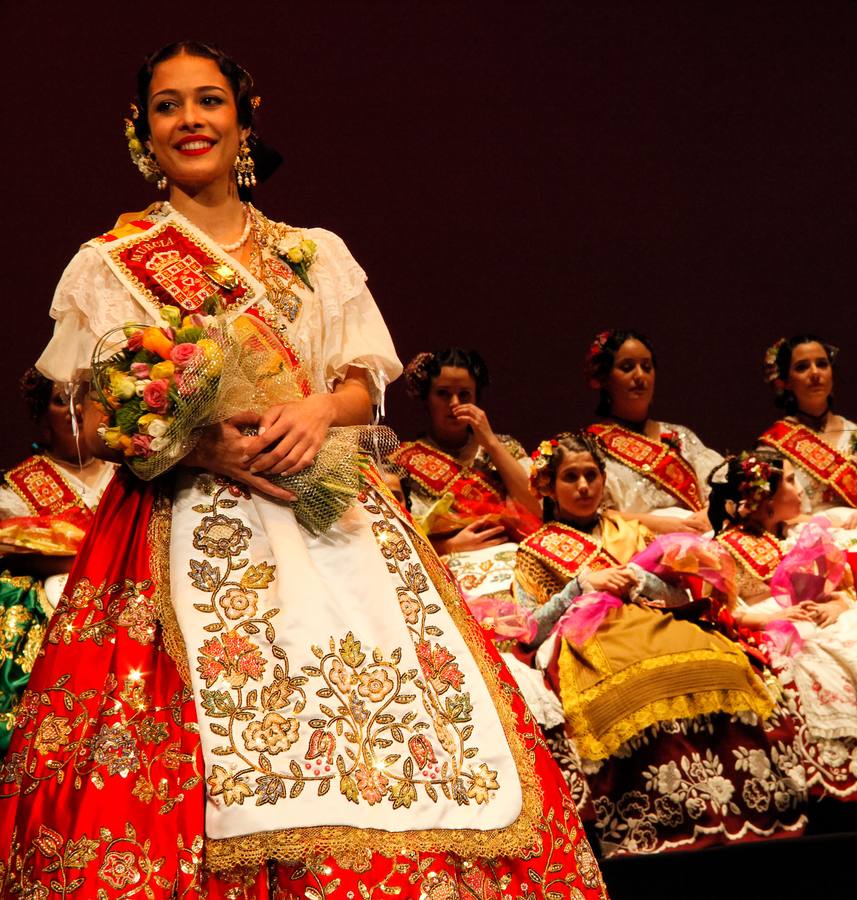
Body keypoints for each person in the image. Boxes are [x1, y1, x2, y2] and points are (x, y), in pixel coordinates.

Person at [0, 42, 605, 899]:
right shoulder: (107, 264)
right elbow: (95, 422)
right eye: (167, 106)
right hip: (183, 521)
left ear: (244, 121)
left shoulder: (314, 252)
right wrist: (199, 445)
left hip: (334, 517)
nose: (190, 121)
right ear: (144, 132)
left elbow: (363, 385)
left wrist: (320, 409)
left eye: (208, 101)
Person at [514, 431, 807, 855]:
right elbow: (529, 630)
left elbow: (682, 592)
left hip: (656, 622)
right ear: (548, 486)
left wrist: (638, 582)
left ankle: (744, 809)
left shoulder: (632, 532)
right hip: (586, 639)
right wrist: (580, 585)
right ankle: (662, 818)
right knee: (633, 689)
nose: (583, 487)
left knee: (721, 663)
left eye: (591, 475)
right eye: (571, 477)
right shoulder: (534, 551)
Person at [709, 450, 857, 804]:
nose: (798, 490)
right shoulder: (725, 548)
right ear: (762, 495)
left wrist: (836, 605)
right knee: (812, 659)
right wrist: (773, 618)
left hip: (820, 616)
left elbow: (844, 590)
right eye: (788, 481)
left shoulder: (803, 536)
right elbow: (724, 612)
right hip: (770, 625)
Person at [0, 370, 117, 754]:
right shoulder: (14, 489)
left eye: (85, 399)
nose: (75, 411)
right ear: (40, 413)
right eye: (59, 401)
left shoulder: (130, 478)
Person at [391, 348, 538, 598]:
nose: (454, 404)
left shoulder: (505, 448)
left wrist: (490, 442)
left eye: (464, 394)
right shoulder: (402, 460)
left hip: (514, 566)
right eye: (443, 394)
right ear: (426, 398)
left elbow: (536, 507)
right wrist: (448, 546)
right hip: (443, 568)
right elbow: (394, 536)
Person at [583, 330, 721, 534]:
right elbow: (593, 512)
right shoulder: (591, 445)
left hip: (699, 540)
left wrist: (710, 512)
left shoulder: (680, 435)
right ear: (605, 378)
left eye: (646, 367)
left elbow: (721, 488)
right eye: (627, 367)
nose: (640, 376)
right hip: (633, 547)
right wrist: (662, 526)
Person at [758, 336, 857, 530]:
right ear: (786, 381)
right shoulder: (773, 443)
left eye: (822, 364)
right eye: (802, 367)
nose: (815, 373)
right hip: (803, 540)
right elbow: (768, 513)